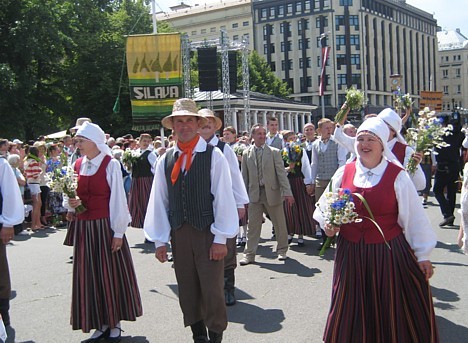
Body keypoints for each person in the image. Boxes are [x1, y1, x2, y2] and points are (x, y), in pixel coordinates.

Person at [313, 117, 438, 342]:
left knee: (387, 304)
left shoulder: (396, 175)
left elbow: (413, 218)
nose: (364, 144)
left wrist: (423, 255)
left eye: (371, 139)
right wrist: (328, 225)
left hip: (386, 253)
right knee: (350, 304)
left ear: (382, 144)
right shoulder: (345, 172)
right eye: (360, 139)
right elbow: (324, 204)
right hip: (350, 254)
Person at [144, 99, 238, 343]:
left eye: (189, 120)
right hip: (180, 233)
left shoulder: (213, 155)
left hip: (208, 233)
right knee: (187, 288)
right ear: (173, 126)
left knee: (212, 290)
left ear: (198, 124)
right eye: (179, 121)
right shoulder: (166, 159)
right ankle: (198, 336)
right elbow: (159, 200)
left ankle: (216, 336)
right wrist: (160, 241)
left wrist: (221, 239)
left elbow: (224, 199)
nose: (184, 125)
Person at [63, 122, 142, 342]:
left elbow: (118, 198)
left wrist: (118, 232)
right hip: (84, 228)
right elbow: (71, 192)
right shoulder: (78, 164)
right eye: (76, 141)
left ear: (94, 142)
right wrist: (71, 205)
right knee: (90, 276)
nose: (77, 145)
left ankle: (114, 323)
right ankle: (100, 323)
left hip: (104, 227)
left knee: (109, 274)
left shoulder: (110, 164)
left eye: (81, 141)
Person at [198, 108, 249, 306]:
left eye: (210, 122)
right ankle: (210, 289)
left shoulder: (224, 148)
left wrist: (239, 203)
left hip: (224, 203)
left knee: (227, 246)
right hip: (202, 205)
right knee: (205, 247)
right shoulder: (192, 147)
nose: (207, 125)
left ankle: (228, 288)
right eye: (203, 122)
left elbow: (235, 177)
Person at [240, 124, 294, 265]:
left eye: (264, 133)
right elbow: (244, 177)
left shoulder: (274, 152)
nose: (263, 136)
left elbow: (281, 174)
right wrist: (242, 197)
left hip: (273, 193)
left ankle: (282, 250)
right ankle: (249, 254)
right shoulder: (246, 153)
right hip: (254, 194)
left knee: (279, 224)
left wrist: (287, 192)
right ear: (253, 136)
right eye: (259, 134)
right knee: (253, 226)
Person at [310, 118, 348, 240]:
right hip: (320, 180)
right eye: (326, 128)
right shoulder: (316, 144)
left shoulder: (337, 142)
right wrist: (311, 181)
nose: (329, 130)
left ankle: (335, 236)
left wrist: (340, 179)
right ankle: (324, 237)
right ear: (319, 130)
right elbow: (314, 163)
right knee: (321, 208)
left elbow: (342, 161)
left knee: (334, 207)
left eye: (331, 128)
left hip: (333, 180)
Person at [0, 155, 24, 329]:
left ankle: (3, 315)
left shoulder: (1, 164)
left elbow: (9, 192)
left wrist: (8, 222)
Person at [281, 131, 315, 246]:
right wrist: (288, 169)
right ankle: (290, 232)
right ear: (285, 141)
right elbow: (280, 170)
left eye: (294, 138)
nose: (293, 141)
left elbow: (306, 167)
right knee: (289, 208)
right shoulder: (282, 153)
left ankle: (301, 234)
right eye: (290, 139)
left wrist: (308, 183)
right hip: (288, 182)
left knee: (301, 206)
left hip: (299, 181)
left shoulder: (301, 151)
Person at [433, 115, 464, 227]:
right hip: (455, 164)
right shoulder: (459, 134)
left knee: (437, 190)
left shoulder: (439, 134)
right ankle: (450, 217)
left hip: (442, 165)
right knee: (451, 192)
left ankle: (447, 214)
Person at [128, 133, 156, 229]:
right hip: (136, 181)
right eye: (144, 141)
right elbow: (130, 170)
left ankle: (150, 226)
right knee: (137, 202)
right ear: (139, 142)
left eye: (148, 141)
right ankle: (140, 223)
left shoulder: (150, 154)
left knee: (146, 202)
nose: (146, 143)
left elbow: (155, 168)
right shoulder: (134, 153)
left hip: (146, 181)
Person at [24, 146, 43, 231]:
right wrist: (40, 172)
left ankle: (37, 223)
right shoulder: (34, 161)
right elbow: (35, 175)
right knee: (36, 204)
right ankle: (34, 225)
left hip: (30, 182)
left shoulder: (27, 161)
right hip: (34, 183)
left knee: (38, 204)